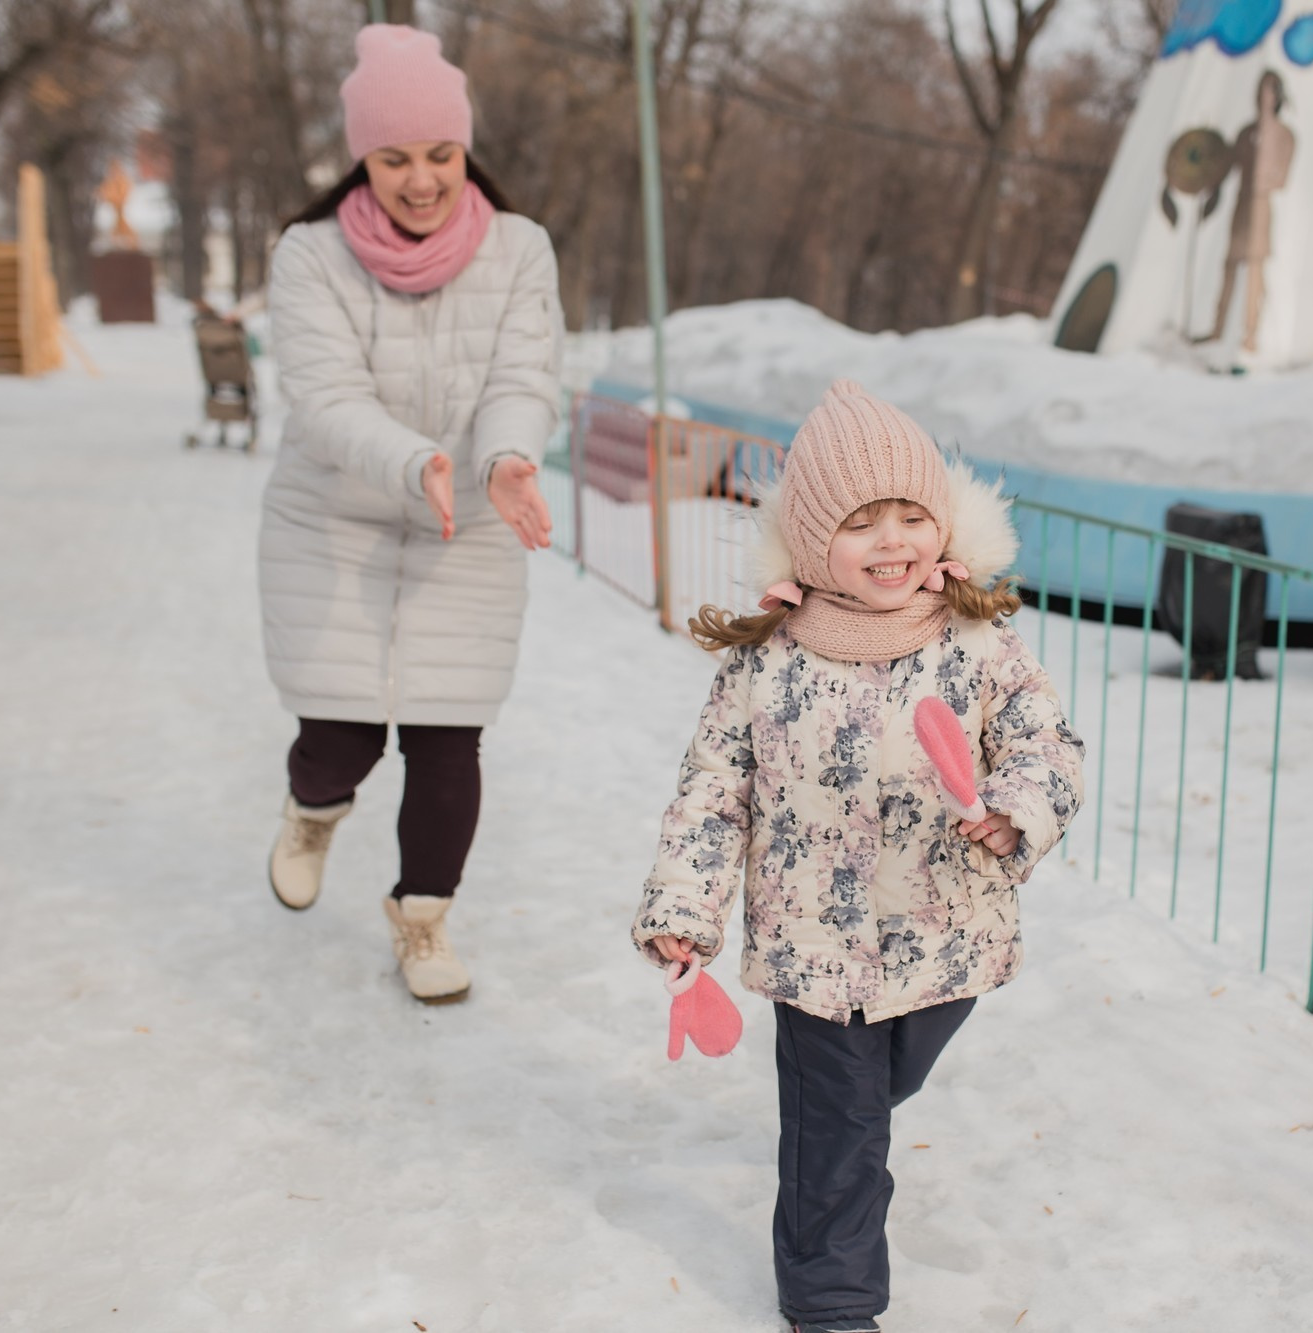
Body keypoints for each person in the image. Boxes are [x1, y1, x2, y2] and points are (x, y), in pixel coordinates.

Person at [632, 381, 1085, 1333]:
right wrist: (685, 910)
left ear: (943, 523)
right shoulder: (768, 661)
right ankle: (832, 1300)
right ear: (809, 541)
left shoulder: (977, 643)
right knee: (840, 1122)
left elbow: (1047, 747)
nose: (892, 542)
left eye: (911, 516)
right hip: (813, 944)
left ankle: (832, 1155)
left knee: (873, 1095)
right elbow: (715, 790)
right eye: (861, 522)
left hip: (946, 935)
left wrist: (1013, 812)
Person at [258, 25, 563, 1004]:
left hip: (467, 522)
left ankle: (422, 920)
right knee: (341, 733)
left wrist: (506, 455)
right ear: (362, 157)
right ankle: (313, 810)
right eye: (394, 158)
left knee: (444, 740)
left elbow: (522, 373)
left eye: (439, 153)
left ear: (464, 148)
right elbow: (324, 395)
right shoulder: (309, 256)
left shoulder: (519, 250)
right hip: (335, 516)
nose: (421, 179)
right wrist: (415, 457)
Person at [1205, 69, 1295, 354]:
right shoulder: (1246, 133)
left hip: (1262, 204)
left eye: (1268, 91)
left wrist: (1265, 176)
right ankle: (1218, 327)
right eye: (1260, 91)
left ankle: (1251, 332)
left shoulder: (1284, 136)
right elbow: (1227, 166)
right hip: (1242, 204)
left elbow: (1281, 178)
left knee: (1256, 265)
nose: (1263, 97)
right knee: (1230, 264)